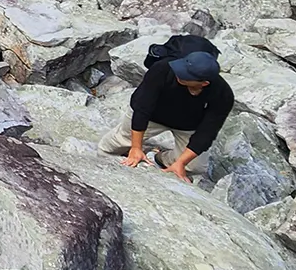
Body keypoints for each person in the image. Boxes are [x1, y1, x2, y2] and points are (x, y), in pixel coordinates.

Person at [99, 49, 234, 183]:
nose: (178, 72)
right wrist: (136, 147)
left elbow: (207, 132)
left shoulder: (223, 95)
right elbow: (142, 107)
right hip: (152, 116)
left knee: (196, 166)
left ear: (204, 83)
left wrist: (181, 163)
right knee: (110, 148)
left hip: (188, 124)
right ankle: (133, 148)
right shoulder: (163, 68)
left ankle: (161, 158)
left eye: (185, 74)